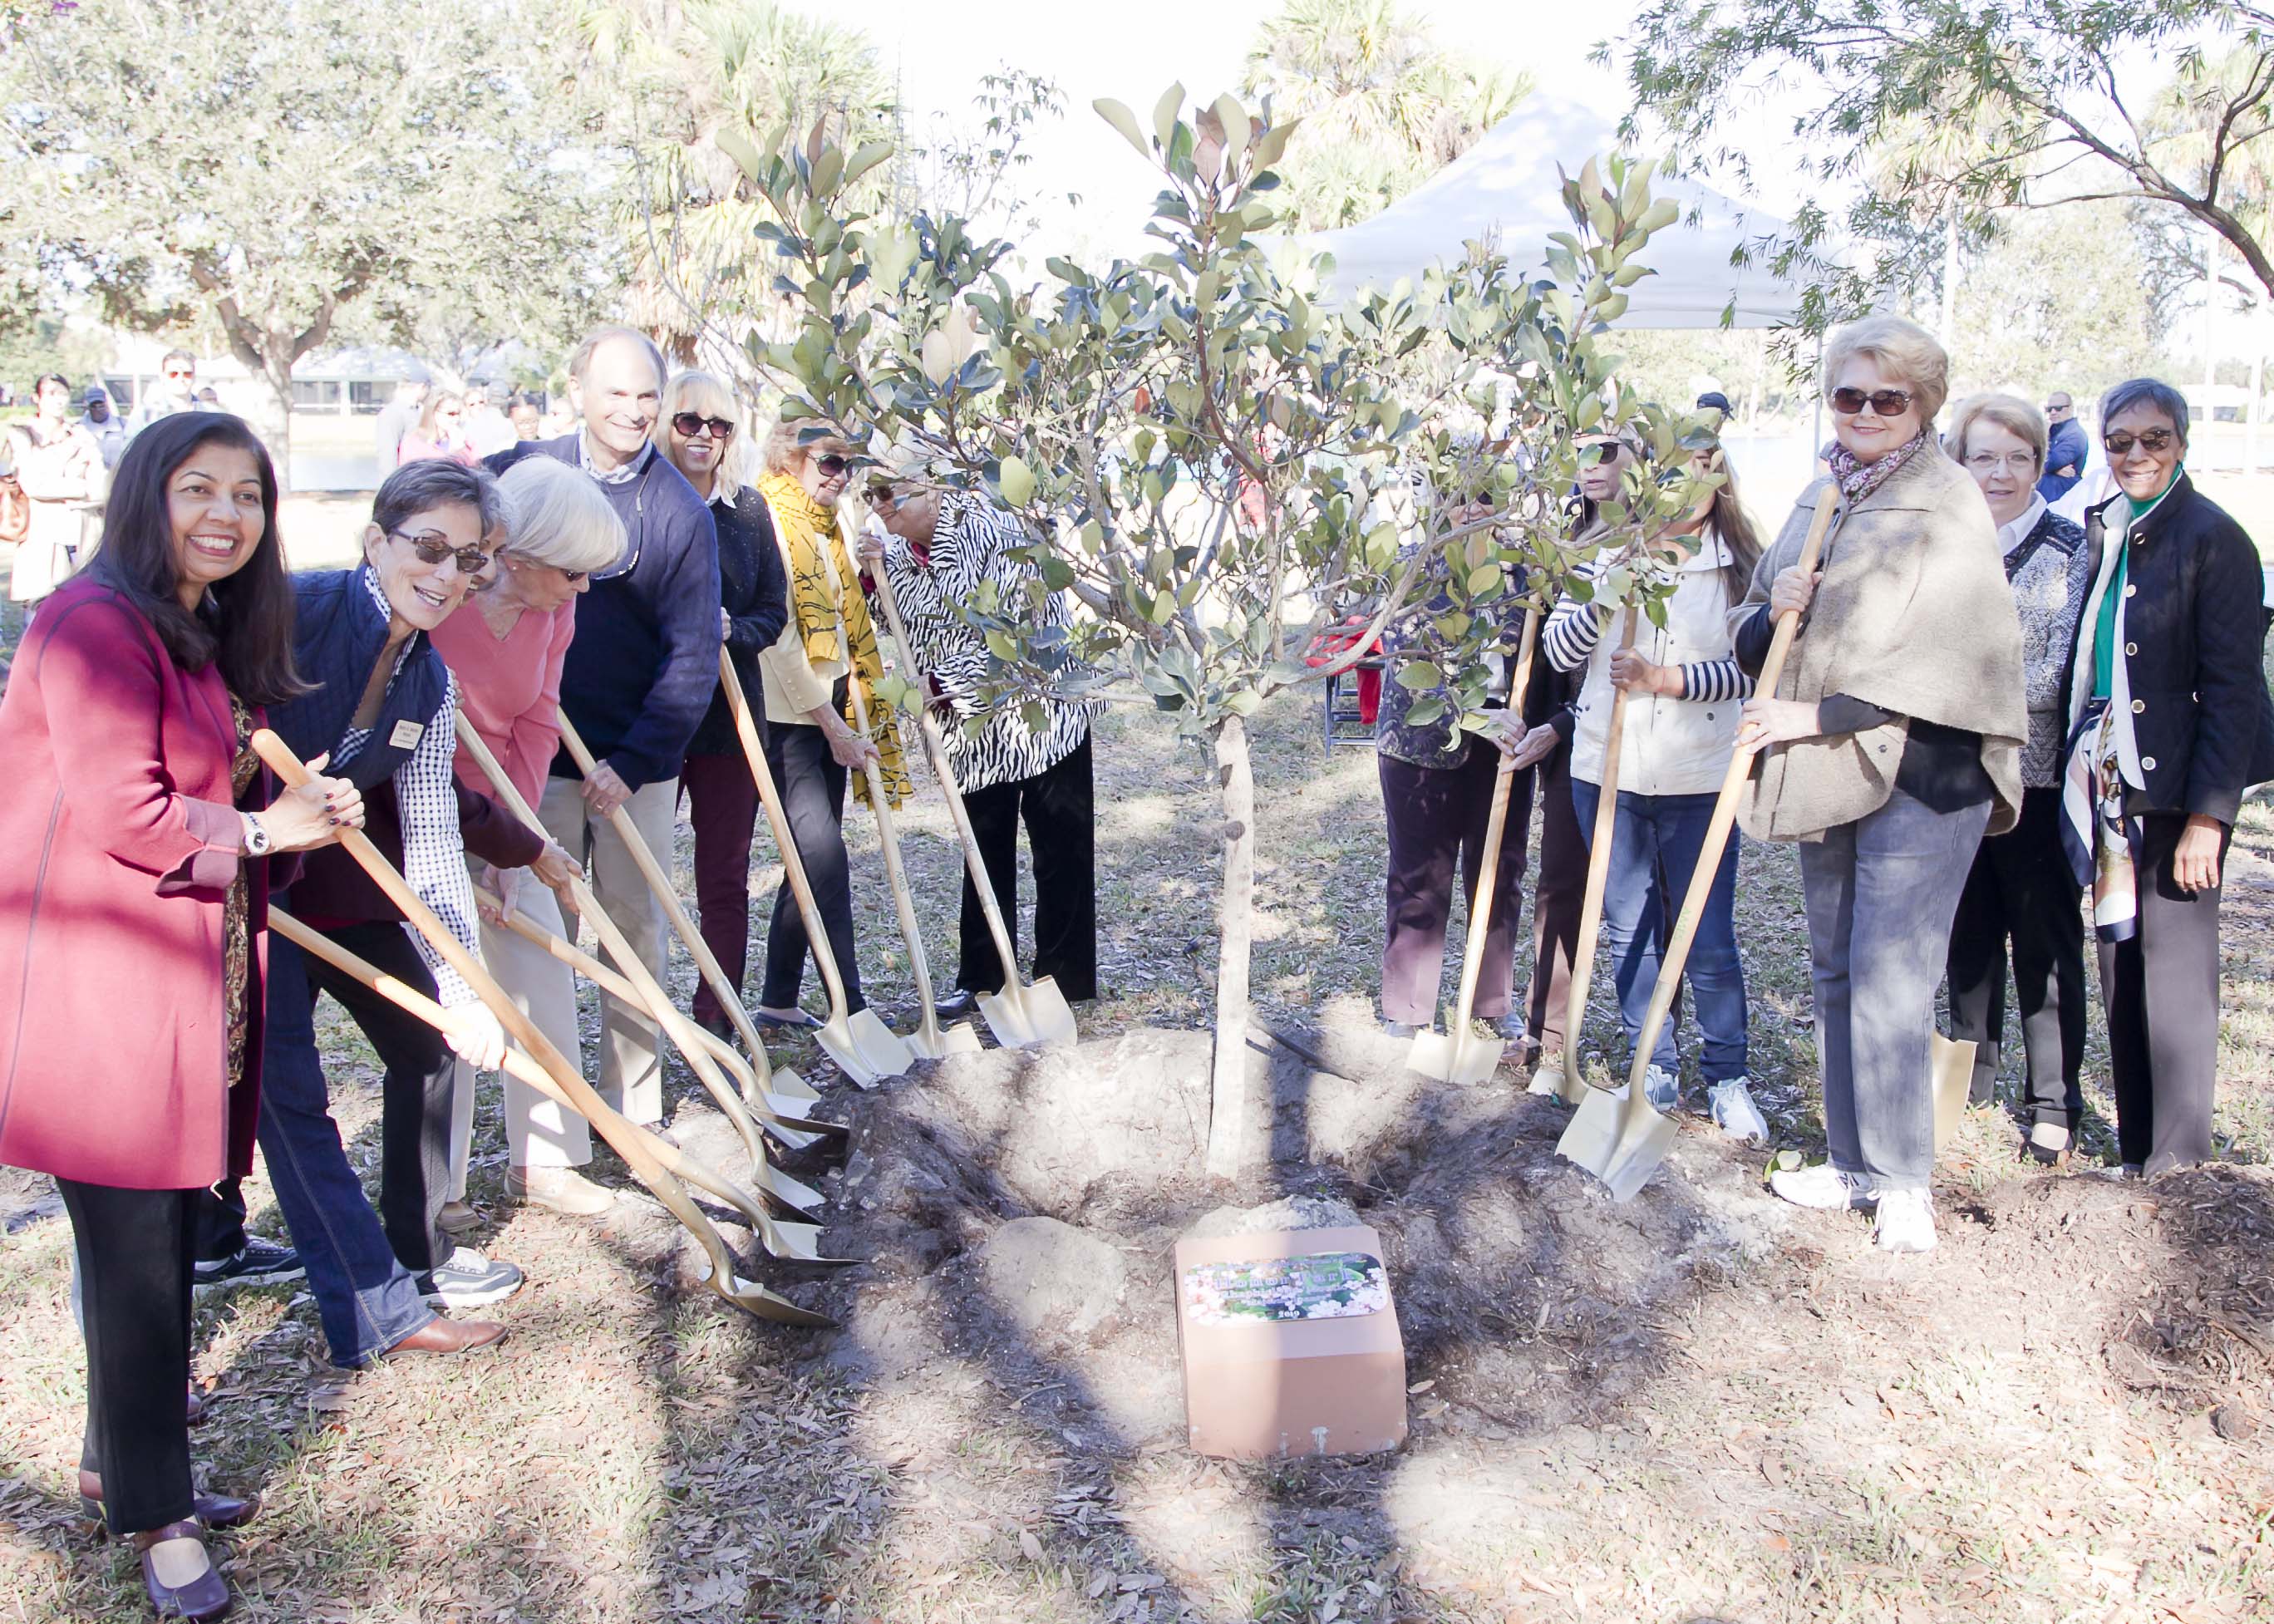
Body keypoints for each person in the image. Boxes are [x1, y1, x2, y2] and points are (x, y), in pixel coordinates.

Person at [0, 414, 361, 1618]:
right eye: (197, 489)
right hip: (101, 990)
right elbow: (121, 809)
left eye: (248, 494)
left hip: (181, 971)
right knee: (143, 1259)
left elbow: (216, 781)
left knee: (144, 1241)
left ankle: (120, 1454)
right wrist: (262, 833)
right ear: (143, 495)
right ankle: (157, 1514)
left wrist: (292, 802)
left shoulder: (190, 628)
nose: (225, 514)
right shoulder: (95, 622)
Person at [1738, 315, 2026, 1252]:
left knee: (1892, 977)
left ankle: (1905, 1180)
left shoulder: (1947, 500)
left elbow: (1950, 657)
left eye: (1885, 398)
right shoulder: (1820, 494)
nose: (1863, 412)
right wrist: (1773, 610)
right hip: (1829, 767)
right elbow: (1756, 629)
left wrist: (1811, 717)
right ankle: (1854, 1160)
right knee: (1833, 966)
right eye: (1848, 395)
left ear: (1924, 405)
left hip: (1926, 775)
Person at [250, 460, 525, 1366]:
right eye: (431, 548)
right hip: (232, 888)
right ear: (377, 540)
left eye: (473, 560)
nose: (449, 574)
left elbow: (436, 842)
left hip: (318, 890)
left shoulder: (430, 682)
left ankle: (409, 1261)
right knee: (286, 1096)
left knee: (429, 1041)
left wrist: (464, 988)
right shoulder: (291, 610)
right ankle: (373, 1304)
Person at [487, 325, 721, 1124]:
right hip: (533, 756)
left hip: (629, 768)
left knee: (631, 925)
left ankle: (635, 1106)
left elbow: (693, 655)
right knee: (532, 927)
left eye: (646, 396)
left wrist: (638, 756)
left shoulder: (681, 514)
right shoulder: (518, 476)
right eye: (615, 392)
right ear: (579, 390)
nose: (631, 410)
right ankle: (549, 1117)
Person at [2061, 378, 2274, 1176]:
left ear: (2182, 442)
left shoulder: (2215, 539)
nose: (2136, 455)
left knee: (2178, 976)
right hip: (2113, 782)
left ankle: (2181, 1162)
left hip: (2182, 792)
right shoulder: (2111, 530)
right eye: (2119, 441)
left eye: (2154, 439)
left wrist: (2210, 819)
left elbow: (2236, 690)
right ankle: (2139, 1148)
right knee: (2122, 959)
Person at [1543, 442, 1769, 1139]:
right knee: (1626, 926)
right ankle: (1655, 1060)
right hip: (1605, 771)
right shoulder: (1606, 550)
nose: (1688, 484)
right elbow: (1560, 652)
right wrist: (1609, 586)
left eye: (1705, 468)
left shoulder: (1742, 568)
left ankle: (1728, 1075)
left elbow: (1751, 673)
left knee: (1707, 934)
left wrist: (1664, 680)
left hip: (1701, 775)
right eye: (1673, 470)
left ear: (1722, 479)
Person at [432, 457, 625, 1218]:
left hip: (499, 805)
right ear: (517, 555)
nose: (584, 590)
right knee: (450, 993)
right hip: (416, 806)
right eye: (573, 574)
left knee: (542, 953)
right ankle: (437, 1189)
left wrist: (518, 845)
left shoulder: (553, 612)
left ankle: (545, 1159)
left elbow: (538, 721)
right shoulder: (442, 594)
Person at [861, 463, 1098, 1016]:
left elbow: (1014, 631)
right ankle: (984, 978)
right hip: (970, 735)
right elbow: (893, 620)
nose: (881, 506)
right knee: (982, 852)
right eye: (872, 497)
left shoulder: (999, 528)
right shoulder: (894, 552)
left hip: (1040, 715)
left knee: (1060, 853)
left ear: (933, 488)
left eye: (891, 494)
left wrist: (941, 683)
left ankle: (1063, 979)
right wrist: (872, 580)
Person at [1940, 394, 2094, 1161]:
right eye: (1984, 456)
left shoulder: (2073, 548)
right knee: (1966, 938)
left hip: (2032, 781)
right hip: (1951, 781)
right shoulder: (1943, 544)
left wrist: (1950, 690)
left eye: (2018, 457)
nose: (2000, 472)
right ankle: (1970, 1080)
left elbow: (2055, 674)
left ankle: (2053, 1101)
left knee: (2044, 939)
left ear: (2043, 461)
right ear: (1959, 462)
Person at [1369, 483, 1548, 1040]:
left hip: (1504, 748)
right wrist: (1474, 719)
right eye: (1459, 495)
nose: (1473, 508)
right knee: (1420, 876)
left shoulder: (1528, 573)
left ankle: (1491, 1000)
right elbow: (1404, 662)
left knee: (1500, 873)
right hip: (1422, 746)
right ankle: (1408, 1007)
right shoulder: (1413, 567)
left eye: (1487, 496)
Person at [754, 419, 907, 1025]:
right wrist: (832, 725)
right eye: (828, 462)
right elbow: (780, 637)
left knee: (811, 859)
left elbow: (843, 620)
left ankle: (778, 999)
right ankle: (853, 1006)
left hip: (838, 703)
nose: (840, 476)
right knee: (824, 856)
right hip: (791, 715)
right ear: (790, 458)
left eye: (848, 465)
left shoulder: (831, 523)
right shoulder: (767, 519)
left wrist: (870, 572)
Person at [653, 372, 790, 1035]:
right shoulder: (642, 502)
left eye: (720, 426)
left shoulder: (749, 512)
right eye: (689, 421)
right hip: (649, 720)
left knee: (725, 879)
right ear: (665, 423)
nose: (704, 436)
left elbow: (773, 612)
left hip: (727, 724)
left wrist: (735, 629)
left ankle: (717, 1019)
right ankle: (638, 1031)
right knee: (640, 881)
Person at [8, 373, 103, 605]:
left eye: (63, 394)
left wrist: (78, 493)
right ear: (37, 398)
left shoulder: (82, 435)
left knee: (85, 606)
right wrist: (80, 489)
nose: (58, 400)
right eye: (51, 394)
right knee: (39, 610)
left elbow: (101, 486)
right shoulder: (22, 435)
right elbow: (34, 485)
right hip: (42, 536)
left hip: (83, 532)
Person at [130, 351, 204, 434]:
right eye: (173, 374)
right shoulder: (144, 415)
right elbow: (130, 445)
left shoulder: (212, 413)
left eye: (187, 374)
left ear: (194, 377)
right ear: (162, 377)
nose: (181, 379)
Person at [398, 390, 474, 465]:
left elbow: (474, 469)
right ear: (433, 412)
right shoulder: (414, 442)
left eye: (458, 413)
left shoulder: (464, 439)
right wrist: (453, 453)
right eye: (451, 413)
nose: (457, 418)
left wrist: (462, 450)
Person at [373, 375, 431, 474]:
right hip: (405, 479)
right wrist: (392, 485)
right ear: (422, 387)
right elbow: (388, 452)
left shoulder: (418, 410)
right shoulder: (393, 412)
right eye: (429, 388)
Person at [2039, 392, 2089, 502]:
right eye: (2049, 409)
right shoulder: (2054, 431)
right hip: (2047, 493)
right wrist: (2053, 470)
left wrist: (2047, 469)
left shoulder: (2075, 435)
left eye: (2058, 408)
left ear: (2070, 409)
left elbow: (2048, 463)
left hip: (2060, 497)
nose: (2053, 412)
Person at [80, 382, 130, 469]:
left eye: (101, 405)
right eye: (94, 406)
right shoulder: (80, 429)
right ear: (88, 407)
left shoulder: (123, 425)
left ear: (106, 404)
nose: (98, 410)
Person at [464, 381, 519, 460]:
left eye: (481, 402)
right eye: (472, 404)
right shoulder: (464, 429)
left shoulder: (508, 422)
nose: (478, 407)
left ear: (487, 400)